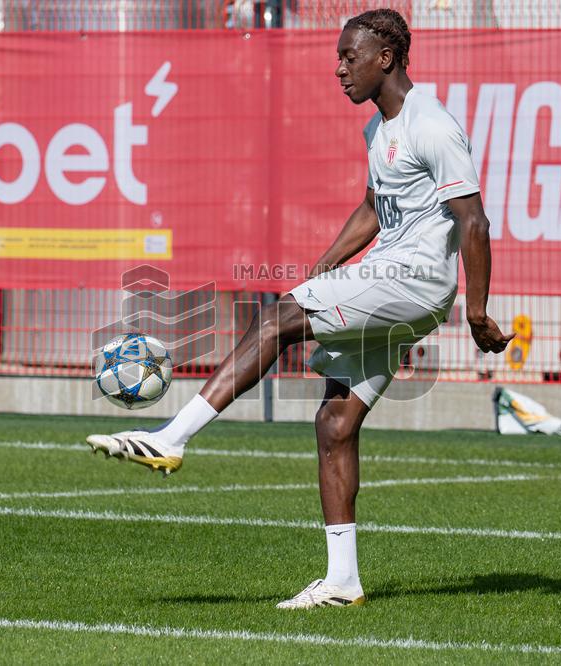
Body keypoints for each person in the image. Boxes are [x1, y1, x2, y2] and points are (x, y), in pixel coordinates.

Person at [87, 8, 513, 610]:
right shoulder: (379, 130)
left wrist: (476, 312)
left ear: (384, 58)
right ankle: (343, 583)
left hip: (412, 282)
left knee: (275, 320)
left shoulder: (433, 124)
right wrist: (329, 259)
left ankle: (173, 436)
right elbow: (375, 205)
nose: (338, 69)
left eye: (348, 57)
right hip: (394, 282)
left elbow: (474, 221)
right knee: (334, 424)